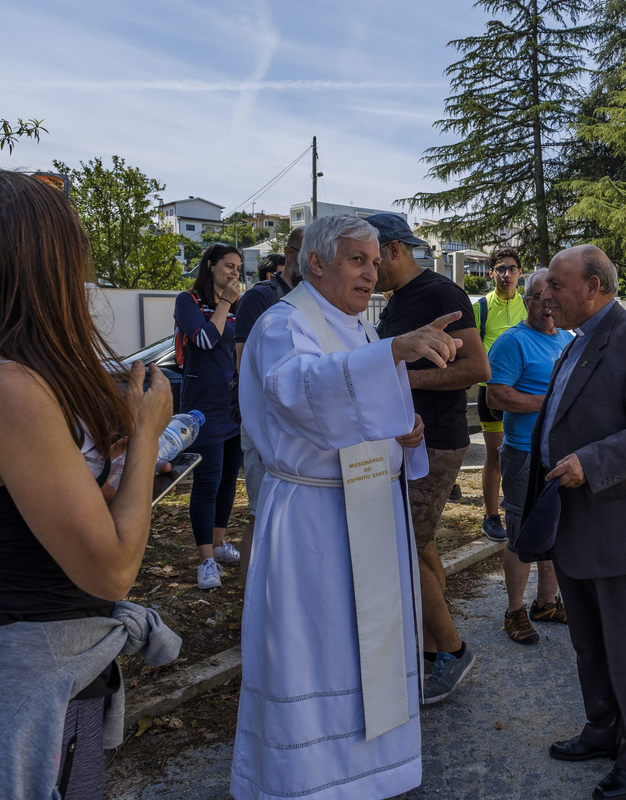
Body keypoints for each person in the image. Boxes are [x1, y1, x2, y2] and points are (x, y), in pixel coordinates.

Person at [231, 214, 459, 800]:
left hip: (370, 512)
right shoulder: (284, 324)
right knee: (319, 651)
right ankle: (306, 782)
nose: (372, 271)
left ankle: (372, 773)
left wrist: (401, 432)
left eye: (375, 261)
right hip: (313, 519)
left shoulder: (357, 328)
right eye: (358, 259)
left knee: (370, 650)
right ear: (316, 262)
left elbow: (363, 408)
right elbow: (301, 392)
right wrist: (392, 354)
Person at [0, 168, 178, 799]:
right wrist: (146, 433)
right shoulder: (9, 388)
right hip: (37, 674)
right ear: (41, 264)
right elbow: (110, 569)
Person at [528, 245, 626, 800]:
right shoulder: (577, 340)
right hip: (577, 521)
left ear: (593, 287)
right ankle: (603, 730)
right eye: (545, 286)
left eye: (557, 285)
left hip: (625, 527)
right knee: (590, 644)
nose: (545, 294)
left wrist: (590, 462)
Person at [371, 212, 490, 704]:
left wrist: (403, 377)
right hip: (407, 443)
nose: (365, 269)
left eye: (369, 257)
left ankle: (454, 651)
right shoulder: (398, 300)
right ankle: (428, 648)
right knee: (420, 547)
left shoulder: (440, 293)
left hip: (436, 442)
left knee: (403, 549)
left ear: (394, 249)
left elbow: (476, 366)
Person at [485, 269, 571, 644]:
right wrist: (549, 403)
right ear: (527, 300)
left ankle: (546, 603)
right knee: (520, 534)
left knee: (553, 530)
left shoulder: (567, 339)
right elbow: (495, 397)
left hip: (560, 454)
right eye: (540, 296)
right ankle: (514, 611)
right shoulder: (511, 342)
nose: (548, 304)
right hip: (522, 452)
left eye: (554, 296)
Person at [233, 226, 304, 583]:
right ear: (290, 254)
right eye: (309, 253)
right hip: (266, 427)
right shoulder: (261, 296)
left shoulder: (313, 298)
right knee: (261, 515)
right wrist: (263, 433)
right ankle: (251, 601)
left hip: (297, 432)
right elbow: (245, 363)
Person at [174, 243, 245, 590]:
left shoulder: (239, 306)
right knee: (207, 483)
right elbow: (204, 339)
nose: (234, 272)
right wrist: (226, 303)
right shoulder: (188, 301)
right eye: (228, 266)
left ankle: (219, 544)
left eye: (238, 267)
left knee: (229, 479)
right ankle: (205, 559)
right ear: (210, 266)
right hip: (202, 409)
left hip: (231, 406)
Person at [473, 247, 528, 543]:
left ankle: (522, 509)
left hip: (524, 393)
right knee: (496, 457)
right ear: (492, 272)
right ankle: (491, 516)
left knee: (525, 454)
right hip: (491, 394)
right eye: (501, 269)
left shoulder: (529, 306)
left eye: (512, 269)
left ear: (520, 272)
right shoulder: (480, 308)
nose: (507, 274)